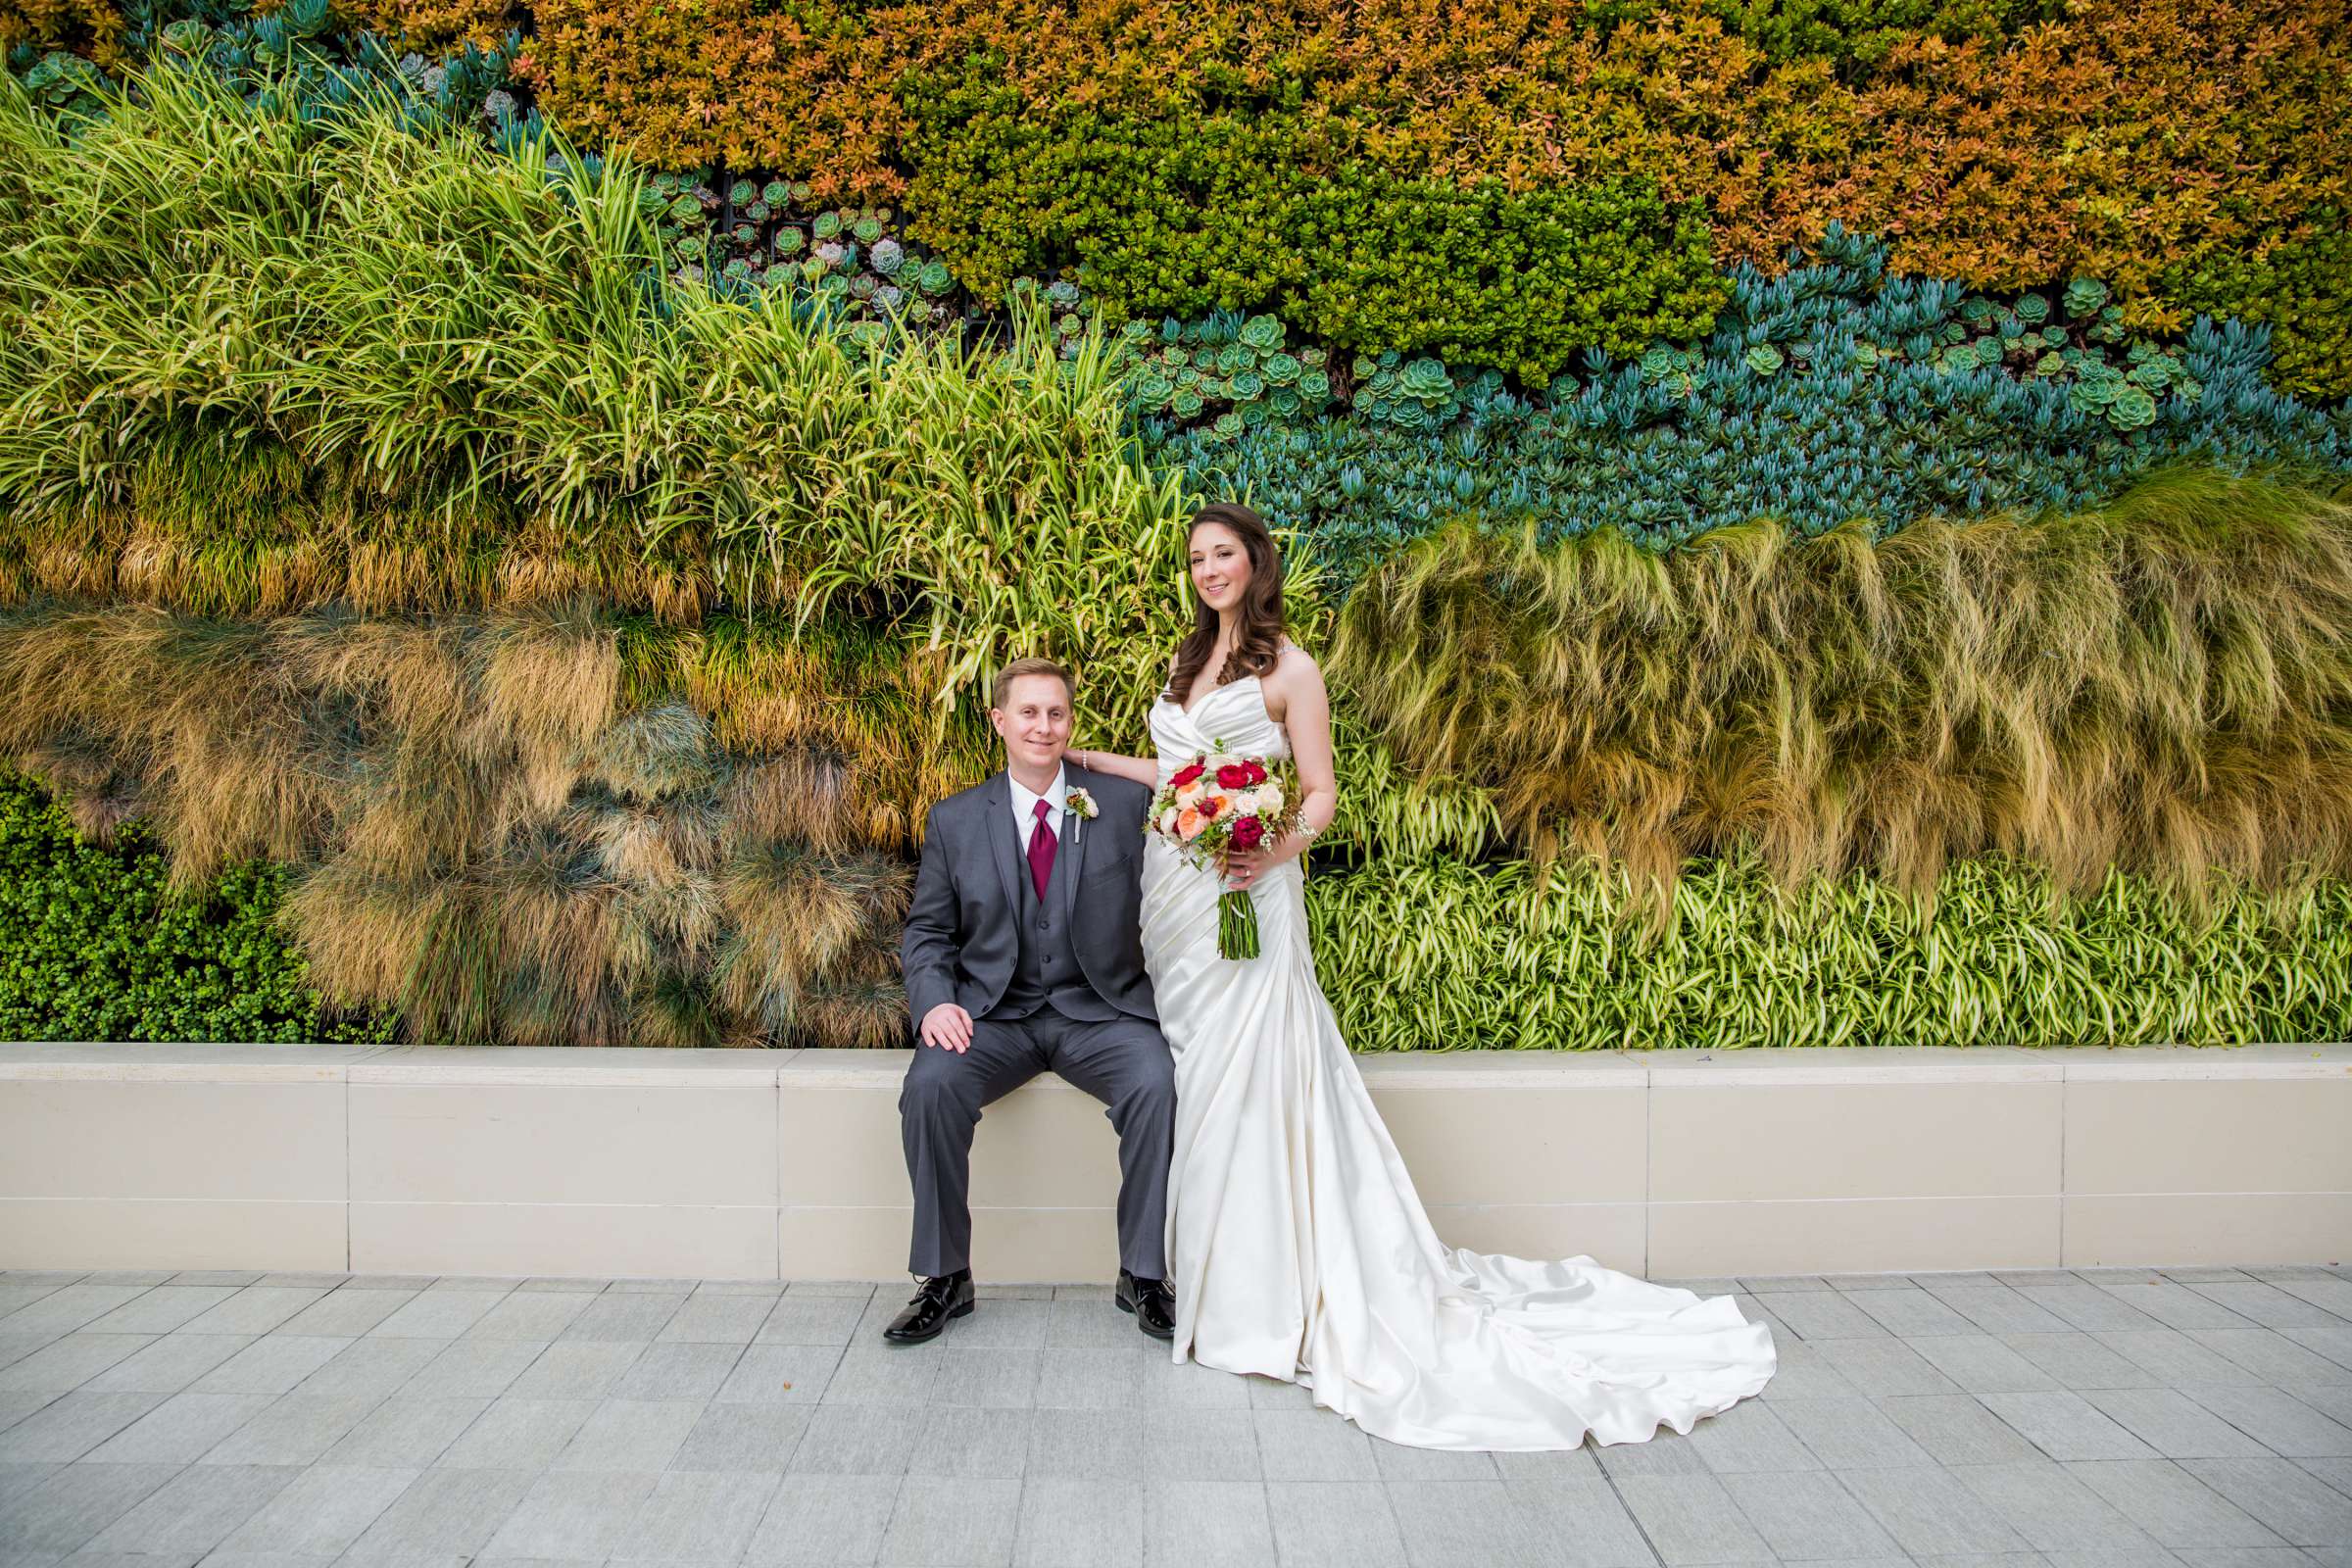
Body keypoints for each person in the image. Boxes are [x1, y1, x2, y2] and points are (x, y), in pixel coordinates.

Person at [1065, 502, 1778, 1449]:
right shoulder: (1184, 663)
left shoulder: (1292, 669)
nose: (1207, 570)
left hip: (1248, 890)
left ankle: (1262, 1291)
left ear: (1255, 562)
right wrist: (1080, 756)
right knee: (1195, 1078)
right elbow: (1171, 770)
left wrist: (1269, 853)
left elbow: (1319, 794)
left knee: (1253, 1074)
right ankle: (1210, 1275)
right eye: (1196, 557)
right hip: (1176, 900)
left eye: (1222, 555)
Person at [887, 657, 1178, 1344]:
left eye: (1056, 713)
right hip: (994, 1018)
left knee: (1158, 1083)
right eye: (1028, 712)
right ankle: (944, 1276)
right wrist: (934, 1002)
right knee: (930, 1085)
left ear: (1070, 723)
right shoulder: (956, 820)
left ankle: (1141, 1273)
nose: (1043, 727)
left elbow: (1194, 793)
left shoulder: (1123, 805)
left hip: (1101, 1012)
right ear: (999, 721)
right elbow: (927, 931)